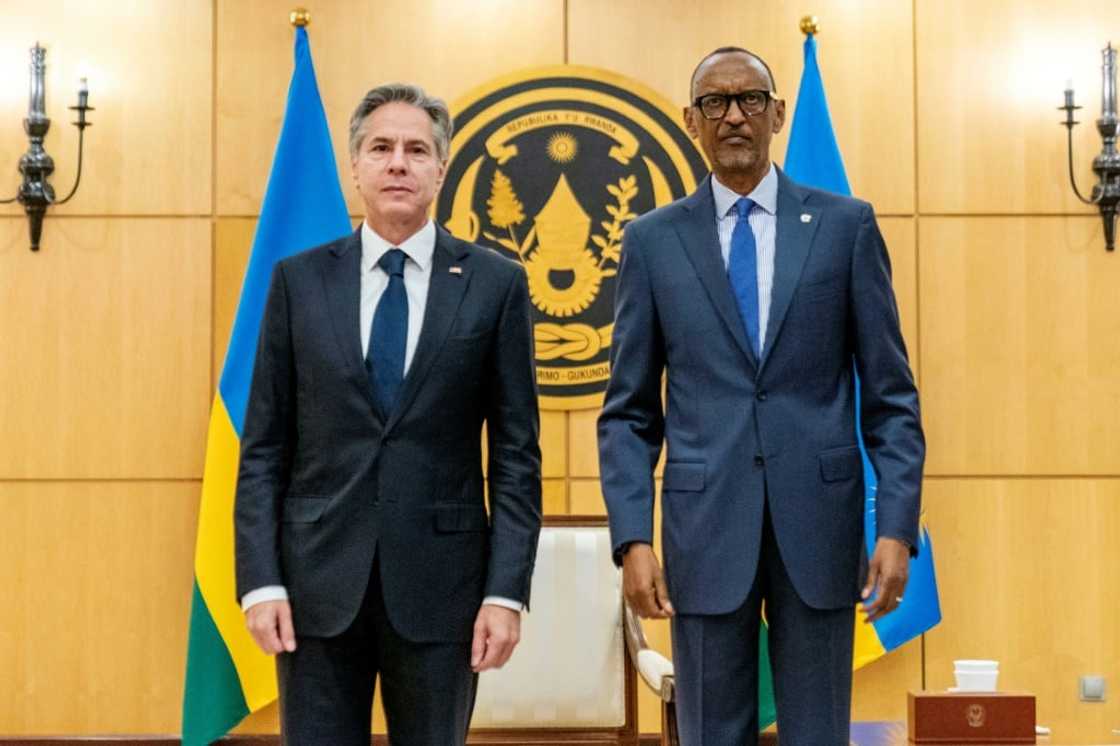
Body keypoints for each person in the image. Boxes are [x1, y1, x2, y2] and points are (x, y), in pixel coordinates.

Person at [597, 47, 924, 745]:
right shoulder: (652, 242)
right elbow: (627, 411)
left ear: (778, 113)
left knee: (815, 734)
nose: (734, 115)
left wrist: (895, 527)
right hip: (704, 529)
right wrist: (631, 539)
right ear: (691, 122)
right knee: (713, 733)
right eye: (715, 103)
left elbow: (891, 397)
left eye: (750, 99)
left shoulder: (845, 226)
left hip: (822, 529)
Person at [234, 83, 542, 746]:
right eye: (381, 148)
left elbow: (517, 458)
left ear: (440, 167)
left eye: (415, 149)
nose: (397, 162)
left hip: (445, 592)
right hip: (314, 589)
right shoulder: (298, 282)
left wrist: (505, 593)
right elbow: (263, 449)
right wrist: (259, 581)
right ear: (356, 166)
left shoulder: (495, 284)